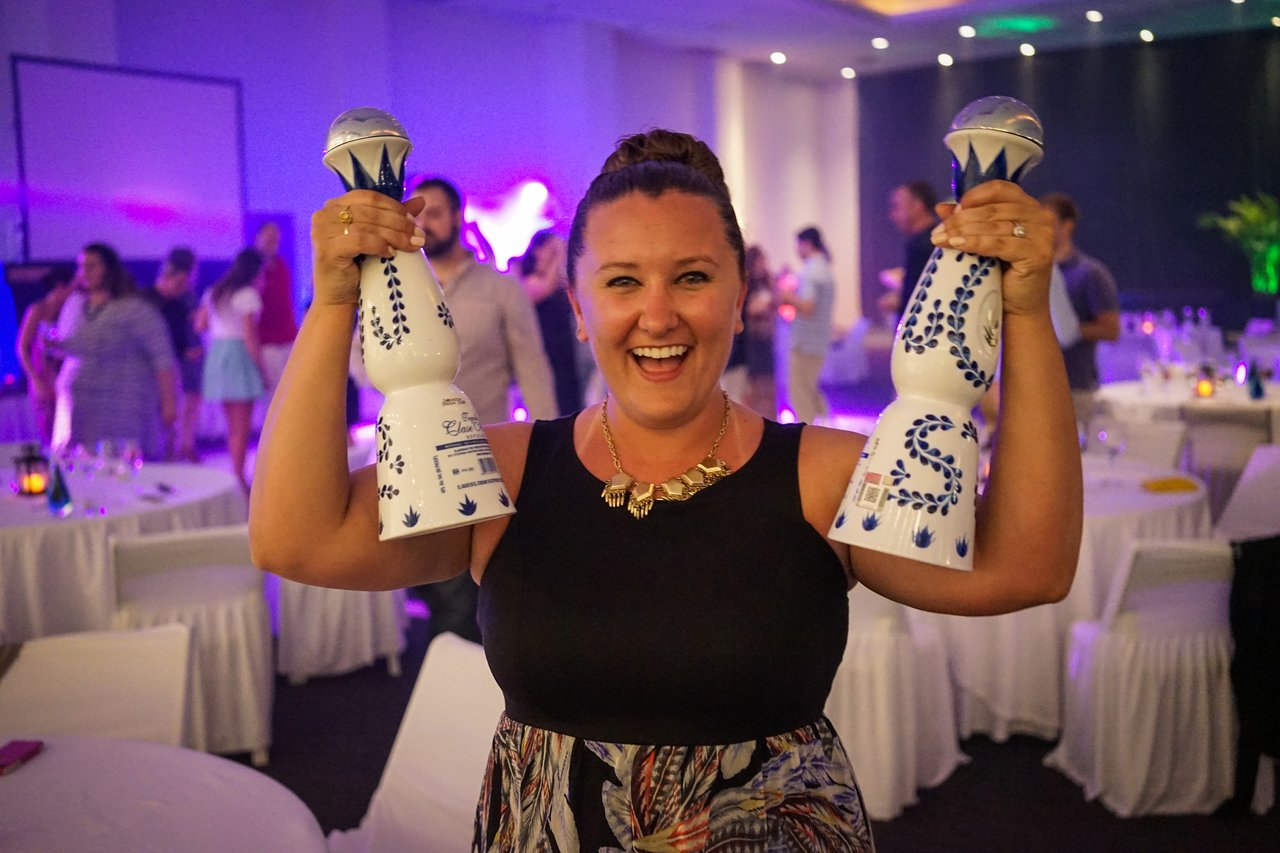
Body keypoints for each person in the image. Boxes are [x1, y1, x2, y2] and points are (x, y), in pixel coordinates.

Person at [251, 129, 1081, 851]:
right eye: (620, 283)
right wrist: (330, 305)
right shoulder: (501, 470)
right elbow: (298, 537)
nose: (658, 315)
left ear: (737, 294)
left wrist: (1030, 317)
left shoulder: (821, 473)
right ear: (577, 307)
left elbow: (1026, 566)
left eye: (691, 277)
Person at [410, 177, 557, 425]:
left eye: (434, 214)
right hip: (414, 443)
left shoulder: (501, 288)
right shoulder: (401, 290)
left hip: (485, 443)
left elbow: (532, 370)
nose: (423, 224)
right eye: (417, 216)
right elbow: (360, 353)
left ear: (457, 216)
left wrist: (550, 439)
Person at [52, 243, 177, 460]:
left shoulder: (134, 308)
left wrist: (169, 404)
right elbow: (68, 347)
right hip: (81, 408)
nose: (85, 272)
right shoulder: (75, 305)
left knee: (124, 469)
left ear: (109, 268)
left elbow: (162, 357)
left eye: (92, 266)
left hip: (124, 407)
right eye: (81, 267)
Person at [1041, 192, 1120, 423]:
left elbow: (1111, 330)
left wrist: (1065, 330)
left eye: (1048, 223)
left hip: (1075, 387)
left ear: (1067, 226)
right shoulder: (1034, 272)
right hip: (1038, 386)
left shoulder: (1091, 273)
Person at [198, 248, 266, 492]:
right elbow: (250, 336)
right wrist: (262, 369)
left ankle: (235, 475)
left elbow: (200, 323)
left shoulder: (214, 291)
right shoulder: (247, 294)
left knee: (231, 425)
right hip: (238, 356)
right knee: (241, 426)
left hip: (218, 355)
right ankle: (238, 479)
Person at [145, 247, 204, 461]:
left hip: (175, 360)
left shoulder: (179, 299)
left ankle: (177, 451)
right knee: (169, 412)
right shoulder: (162, 300)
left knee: (175, 411)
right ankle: (175, 451)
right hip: (166, 364)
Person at [518, 230, 583, 416]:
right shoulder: (527, 280)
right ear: (537, 250)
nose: (557, 253)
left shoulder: (559, 283)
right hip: (545, 354)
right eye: (551, 249)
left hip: (566, 352)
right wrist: (560, 252)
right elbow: (545, 287)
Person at [778, 225, 835, 424]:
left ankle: (806, 436)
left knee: (799, 393)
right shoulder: (824, 268)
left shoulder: (811, 271)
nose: (797, 250)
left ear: (806, 244)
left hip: (805, 342)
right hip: (818, 340)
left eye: (798, 245)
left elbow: (808, 307)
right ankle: (826, 428)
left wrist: (786, 297)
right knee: (810, 389)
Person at [16, 266, 74, 445]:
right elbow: (22, 348)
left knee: (67, 430)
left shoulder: (68, 313)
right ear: (59, 287)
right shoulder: (38, 310)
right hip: (43, 377)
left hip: (63, 377)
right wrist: (35, 379)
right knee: (48, 430)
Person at [878, 181, 940, 327]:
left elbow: (922, 299)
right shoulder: (934, 239)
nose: (893, 216)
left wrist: (899, 302)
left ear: (918, 206)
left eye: (897, 207)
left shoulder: (924, 245)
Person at [253, 222, 297, 396]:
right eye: (268, 238)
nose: (273, 242)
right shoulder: (252, 269)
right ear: (258, 239)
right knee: (274, 394)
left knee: (291, 390)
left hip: (288, 337)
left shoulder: (282, 266)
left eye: (275, 239)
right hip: (267, 342)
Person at [742, 244, 777, 418]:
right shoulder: (747, 286)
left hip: (767, 341)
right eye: (760, 260)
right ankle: (756, 421)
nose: (763, 264)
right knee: (754, 387)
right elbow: (748, 310)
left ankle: (771, 421)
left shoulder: (767, 283)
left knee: (770, 387)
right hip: (753, 342)